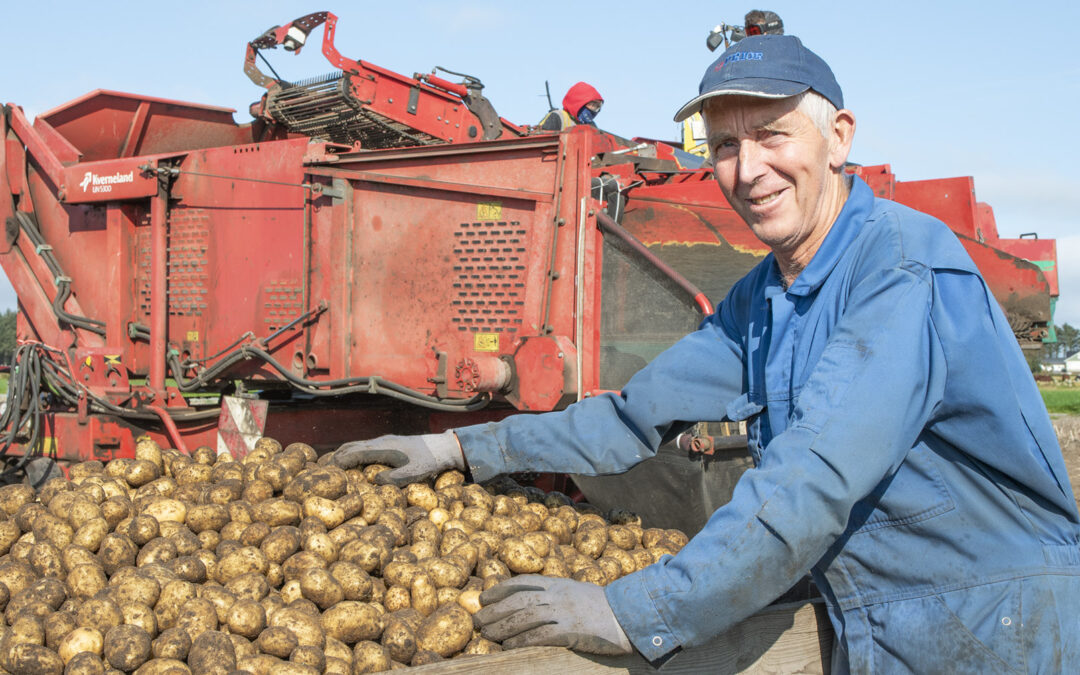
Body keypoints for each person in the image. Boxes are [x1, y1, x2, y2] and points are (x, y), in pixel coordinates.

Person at [334, 35, 1080, 670]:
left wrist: (631, 611)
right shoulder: (764, 297)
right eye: (725, 144)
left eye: (773, 135)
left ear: (840, 137)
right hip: (880, 622)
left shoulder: (899, 268)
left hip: (996, 626)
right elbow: (630, 419)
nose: (747, 169)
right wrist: (465, 449)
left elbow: (812, 479)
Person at [539, 81, 604, 131]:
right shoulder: (557, 117)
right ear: (579, 102)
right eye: (592, 104)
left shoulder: (591, 126)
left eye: (597, 107)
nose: (593, 109)